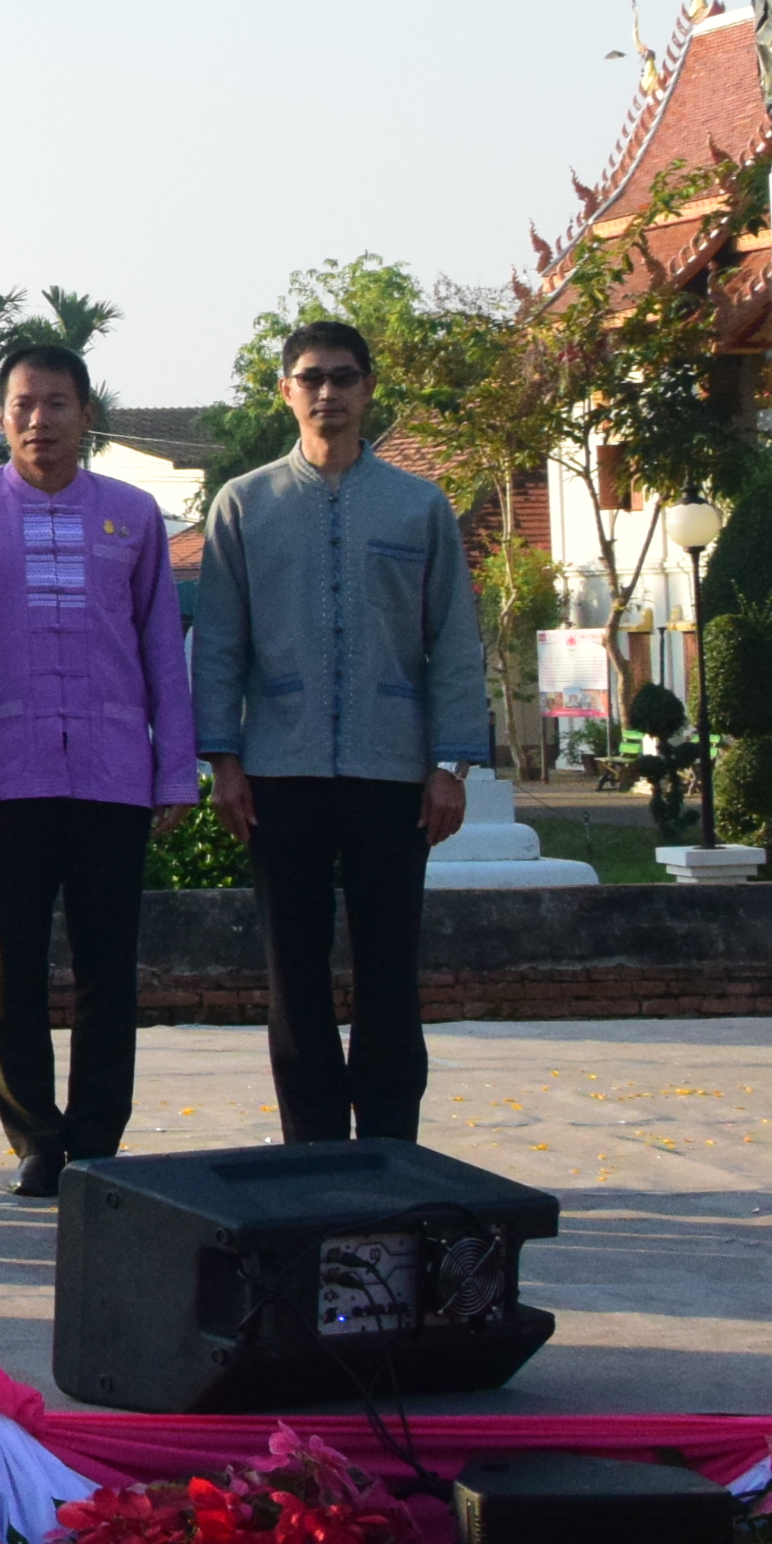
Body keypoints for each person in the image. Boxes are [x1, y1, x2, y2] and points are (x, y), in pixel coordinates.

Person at [192, 321, 492, 1146]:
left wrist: (450, 765)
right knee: (295, 975)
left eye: (345, 377)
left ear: (368, 390)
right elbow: (219, 642)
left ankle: (391, 1145)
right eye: (311, 377)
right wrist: (223, 759)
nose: (328, 392)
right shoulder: (244, 505)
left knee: (390, 970)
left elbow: (453, 640)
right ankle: (312, 1150)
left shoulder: (417, 505)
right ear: (285, 390)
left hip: (391, 770)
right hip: (279, 771)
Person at [0, 341, 196, 1196]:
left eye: (58, 403)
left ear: (87, 413)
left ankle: (100, 1135)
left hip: (113, 776)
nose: (41, 420)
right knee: (16, 971)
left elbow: (162, 647)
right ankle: (36, 1136)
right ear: (1, 417)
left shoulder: (135, 514)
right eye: (24, 404)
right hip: (7, 778)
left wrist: (175, 771)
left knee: (110, 969)